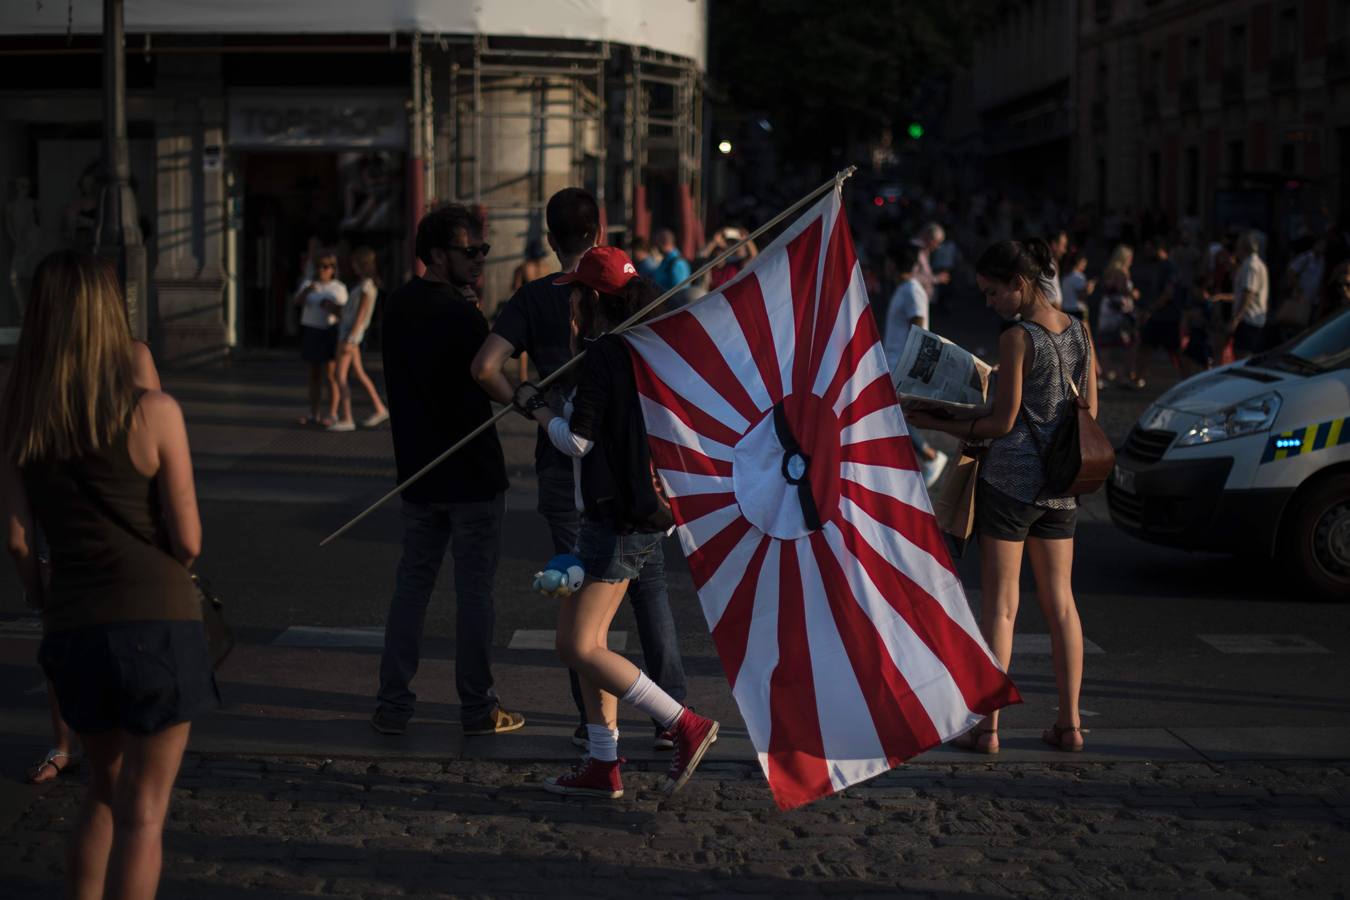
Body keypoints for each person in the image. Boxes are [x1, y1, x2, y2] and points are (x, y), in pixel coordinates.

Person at [1, 250, 216, 899]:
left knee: (102, 790)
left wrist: (43, 595)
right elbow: (189, 540)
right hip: (156, 622)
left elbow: (15, 537)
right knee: (144, 815)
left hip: (73, 622)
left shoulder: (21, 412)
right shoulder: (154, 411)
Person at [470, 188, 688, 751]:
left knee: (581, 605)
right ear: (600, 229)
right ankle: (667, 714)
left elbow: (485, 367)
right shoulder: (640, 297)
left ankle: (601, 730)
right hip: (642, 471)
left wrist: (526, 401)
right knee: (648, 588)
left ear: (550, 237)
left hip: (576, 470)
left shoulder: (541, 298)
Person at [513, 247, 719, 799]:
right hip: (635, 516)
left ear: (591, 299)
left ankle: (684, 723)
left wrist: (533, 407)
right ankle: (603, 764)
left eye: (576, 291)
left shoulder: (606, 353)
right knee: (585, 641)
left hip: (618, 519)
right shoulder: (646, 348)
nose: (571, 302)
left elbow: (578, 440)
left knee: (579, 646)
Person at [907, 238, 1097, 756]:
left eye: (994, 293)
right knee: (1062, 605)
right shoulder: (1080, 331)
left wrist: (929, 417)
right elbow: (1090, 414)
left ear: (1019, 284)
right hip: (1060, 490)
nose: (990, 303)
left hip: (1010, 486)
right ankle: (1071, 724)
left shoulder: (1019, 338)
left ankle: (988, 729)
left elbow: (1001, 422)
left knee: (1003, 609)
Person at [373, 205, 522, 738]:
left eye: (482, 249)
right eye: (470, 251)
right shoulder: (460, 314)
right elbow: (486, 374)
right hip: (472, 473)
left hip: (418, 469)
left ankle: (393, 705)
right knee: (474, 593)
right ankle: (478, 708)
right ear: (438, 255)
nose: (480, 259)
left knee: (412, 587)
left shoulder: (397, 304)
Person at [881, 243, 947, 488]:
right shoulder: (904, 289)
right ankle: (924, 458)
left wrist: (912, 368)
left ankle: (930, 456)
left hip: (900, 366)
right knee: (890, 415)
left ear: (893, 263)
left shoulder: (911, 289)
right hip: (893, 363)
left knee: (891, 416)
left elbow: (919, 327)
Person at [328, 246, 389, 432]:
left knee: (340, 375)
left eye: (355, 263)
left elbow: (361, 315)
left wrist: (351, 338)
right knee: (359, 373)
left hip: (348, 335)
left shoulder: (365, 286)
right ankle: (379, 408)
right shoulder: (367, 284)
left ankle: (347, 417)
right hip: (351, 334)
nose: (352, 267)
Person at [293, 250, 348, 427]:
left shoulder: (338, 287)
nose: (321, 270)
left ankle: (332, 413)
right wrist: (307, 290)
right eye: (318, 266)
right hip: (311, 330)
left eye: (325, 266)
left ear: (333, 269)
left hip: (328, 330)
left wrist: (331, 306)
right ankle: (313, 413)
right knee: (313, 374)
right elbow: (297, 302)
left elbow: (343, 312)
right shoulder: (309, 284)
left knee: (331, 374)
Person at [1130, 240, 1183, 389]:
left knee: (1174, 350)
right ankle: (1139, 378)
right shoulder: (1160, 267)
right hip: (1159, 315)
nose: (1147, 253)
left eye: (1149, 249)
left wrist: (1151, 309)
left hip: (1166, 316)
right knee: (1146, 345)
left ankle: (1185, 378)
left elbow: (1168, 293)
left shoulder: (1169, 267)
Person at [1095, 244, 1139, 383]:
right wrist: (1134, 293)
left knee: (1108, 343)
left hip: (1109, 308)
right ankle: (1121, 374)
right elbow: (1122, 289)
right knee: (1124, 343)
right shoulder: (1121, 272)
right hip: (1118, 310)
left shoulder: (1111, 270)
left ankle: (1107, 372)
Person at [1228, 230, 1269, 358]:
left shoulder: (1250, 265)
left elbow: (1248, 293)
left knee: (1243, 354)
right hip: (1253, 319)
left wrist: (1237, 318)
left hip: (1249, 319)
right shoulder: (1256, 264)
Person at [701, 226, 758, 292]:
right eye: (717, 251)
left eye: (722, 251)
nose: (718, 254)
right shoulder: (710, 269)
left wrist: (747, 240)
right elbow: (703, 256)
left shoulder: (734, 266)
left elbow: (754, 256)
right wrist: (714, 241)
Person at [912, 222, 951, 307]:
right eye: (937, 242)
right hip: (914, 300)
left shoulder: (924, 251)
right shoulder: (916, 251)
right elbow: (911, 277)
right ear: (929, 238)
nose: (937, 247)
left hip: (920, 299)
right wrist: (936, 278)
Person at [652, 228, 692, 308]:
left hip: (670, 309)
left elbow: (679, 293)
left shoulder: (678, 264)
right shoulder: (666, 261)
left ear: (663, 243)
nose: (655, 247)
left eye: (656, 243)